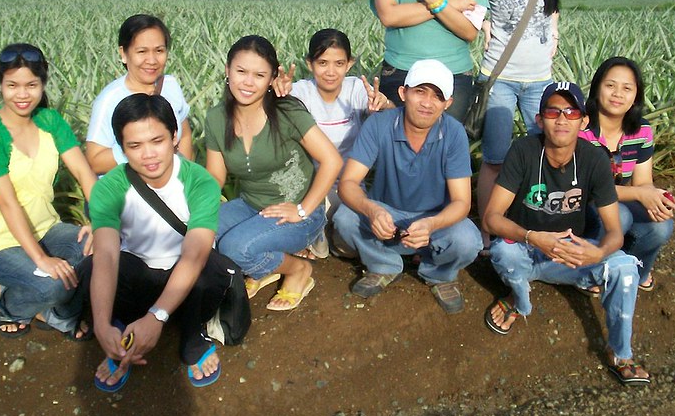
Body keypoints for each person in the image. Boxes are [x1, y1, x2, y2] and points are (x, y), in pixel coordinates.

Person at [481, 81, 650, 386]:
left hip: (573, 255)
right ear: (539, 119)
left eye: (571, 112)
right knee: (502, 250)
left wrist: (597, 252)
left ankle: (620, 353)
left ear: (584, 121)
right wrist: (533, 237)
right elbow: (492, 218)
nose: (561, 119)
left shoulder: (594, 159)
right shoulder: (523, 151)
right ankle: (519, 300)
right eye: (553, 111)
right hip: (527, 250)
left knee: (626, 268)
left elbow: (614, 232)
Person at [87, 93, 235, 392]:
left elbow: (194, 254)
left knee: (211, 269)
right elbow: (106, 256)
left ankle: (193, 337)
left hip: (187, 277)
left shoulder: (199, 181)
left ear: (175, 136)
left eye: (157, 141)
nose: (149, 155)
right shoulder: (109, 188)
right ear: (121, 147)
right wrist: (100, 325)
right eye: (135, 146)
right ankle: (119, 332)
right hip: (139, 275)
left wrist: (158, 316)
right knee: (102, 265)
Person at [0, 43, 96, 340]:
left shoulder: (50, 122)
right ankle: (9, 306)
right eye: (12, 85)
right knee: (50, 282)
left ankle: (60, 315)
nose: (22, 94)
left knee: (102, 249)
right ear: (0, 84)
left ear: (42, 84)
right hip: (1, 242)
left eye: (31, 85)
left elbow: (84, 173)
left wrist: (101, 222)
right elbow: (8, 205)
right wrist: (41, 259)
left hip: (46, 228)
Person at [204, 35, 343, 311]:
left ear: (271, 79)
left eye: (259, 75)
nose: (247, 82)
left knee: (234, 248)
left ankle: (299, 269)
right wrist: (196, 214)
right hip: (251, 205)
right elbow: (215, 177)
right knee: (196, 234)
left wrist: (303, 210)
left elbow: (332, 160)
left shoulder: (286, 111)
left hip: (299, 212)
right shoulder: (217, 118)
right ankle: (263, 266)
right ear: (227, 71)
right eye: (241, 71)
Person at [333, 59, 482, 314]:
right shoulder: (379, 125)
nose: (427, 103)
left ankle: (439, 274)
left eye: (437, 96)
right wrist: (372, 210)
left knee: (468, 239)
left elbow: (461, 202)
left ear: (448, 103)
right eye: (420, 92)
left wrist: (431, 224)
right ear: (403, 93)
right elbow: (348, 183)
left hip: (432, 220)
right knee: (345, 218)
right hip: (386, 215)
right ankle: (384, 264)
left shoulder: (454, 133)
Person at [476, 0, 562, 249]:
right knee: (494, 159)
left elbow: (553, 11)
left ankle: (532, 223)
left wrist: (554, 36)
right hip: (498, 78)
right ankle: (485, 231)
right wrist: (483, 26)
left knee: (542, 155)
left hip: (540, 80)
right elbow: (474, 12)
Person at [273, 28, 392, 253]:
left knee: (349, 241)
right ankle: (316, 232)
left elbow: (394, 118)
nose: (331, 71)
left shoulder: (357, 88)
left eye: (339, 63)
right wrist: (275, 95)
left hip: (349, 184)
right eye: (322, 63)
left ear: (349, 64)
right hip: (309, 186)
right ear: (309, 64)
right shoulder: (300, 92)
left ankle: (326, 234)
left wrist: (384, 104)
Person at [580, 57, 675, 292]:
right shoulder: (581, 129)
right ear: (597, 88)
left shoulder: (641, 130)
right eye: (610, 85)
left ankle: (635, 270)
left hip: (617, 200)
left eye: (627, 88)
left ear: (636, 96)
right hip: (583, 207)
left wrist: (657, 199)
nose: (617, 94)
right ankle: (590, 275)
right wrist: (640, 194)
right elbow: (587, 189)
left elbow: (643, 182)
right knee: (620, 215)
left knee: (662, 225)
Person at [86, 14, 193, 175]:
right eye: (142, 51)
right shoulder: (110, 99)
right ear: (123, 53)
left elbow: (184, 135)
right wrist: (139, 148)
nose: (151, 60)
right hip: (126, 194)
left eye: (159, 50)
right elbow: (95, 161)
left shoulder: (170, 86)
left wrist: (185, 176)